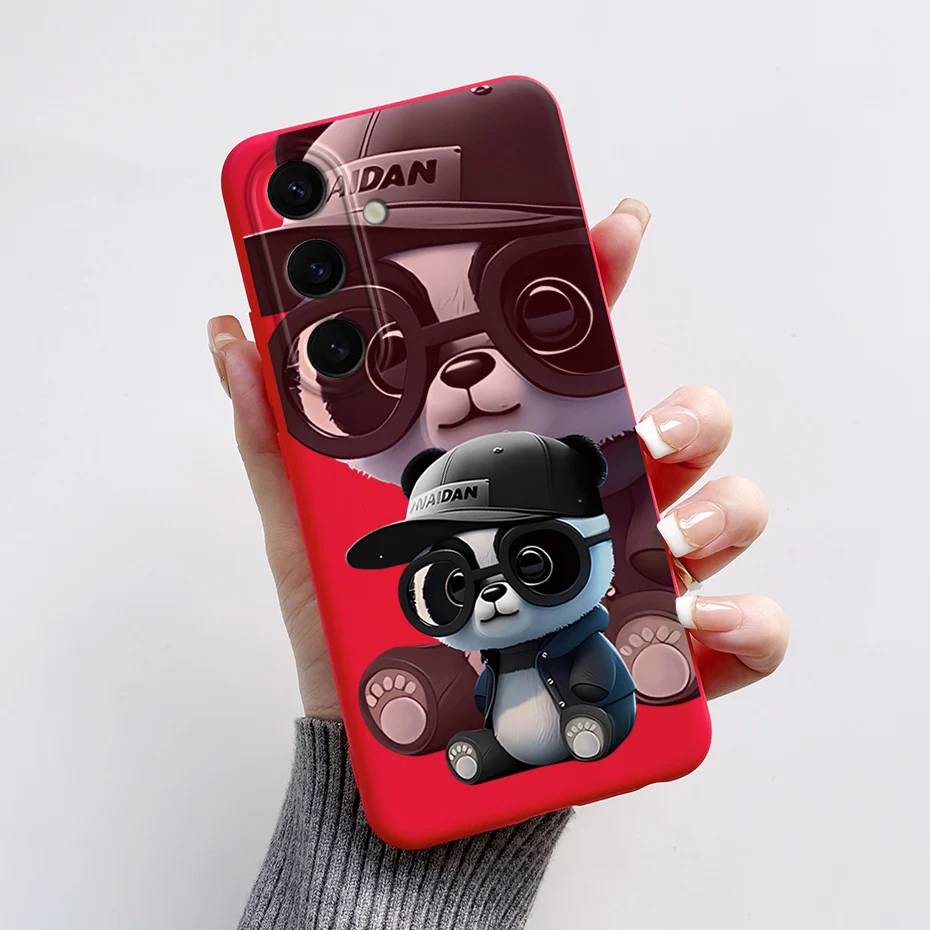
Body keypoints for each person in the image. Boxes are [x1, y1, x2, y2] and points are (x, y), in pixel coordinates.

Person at [207, 199, 789, 930]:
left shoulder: (576, 620)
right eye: (452, 583)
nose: (491, 598)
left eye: (532, 558)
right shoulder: (471, 657)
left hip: (584, 708)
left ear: (593, 539)